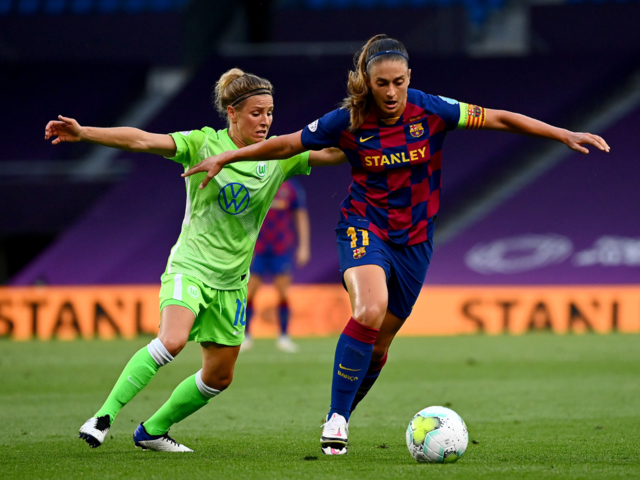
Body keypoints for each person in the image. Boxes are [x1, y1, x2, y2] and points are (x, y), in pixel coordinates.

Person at [181, 35, 610, 455]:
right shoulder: (347, 120)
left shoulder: (433, 109)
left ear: (409, 77)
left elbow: (498, 117)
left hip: (416, 240)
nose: (391, 92)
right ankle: (336, 419)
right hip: (363, 226)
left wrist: (561, 133)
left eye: (398, 82)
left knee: (380, 345)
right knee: (368, 310)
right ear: (368, 82)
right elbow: (287, 143)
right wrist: (226, 157)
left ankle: (343, 414)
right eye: (382, 83)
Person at [44, 68, 345, 452]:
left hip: (233, 282)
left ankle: (152, 431)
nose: (266, 121)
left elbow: (336, 153)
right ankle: (102, 417)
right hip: (191, 267)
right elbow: (140, 139)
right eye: (256, 113)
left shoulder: (277, 158)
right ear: (232, 113)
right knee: (172, 340)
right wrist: (86, 132)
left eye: (269, 112)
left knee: (219, 377)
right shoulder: (203, 143)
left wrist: (370, 128)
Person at [242, 178, 310, 353]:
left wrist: (304, 246)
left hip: (281, 247)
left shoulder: (291, 187)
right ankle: (245, 335)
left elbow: (300, 216)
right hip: (258, 247)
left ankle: (284, 336)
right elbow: (245, 215)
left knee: (283, 292)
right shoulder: (257, 182)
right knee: (250, 291)